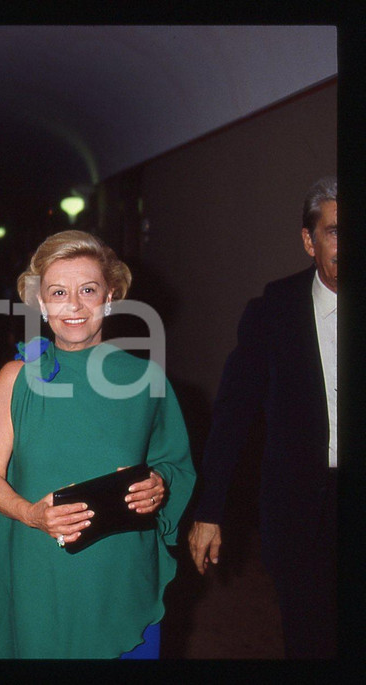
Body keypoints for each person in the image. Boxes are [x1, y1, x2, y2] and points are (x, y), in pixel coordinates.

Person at [0, 230, 196, 658]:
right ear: (41, 302)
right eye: (58, 292)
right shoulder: (16, 379)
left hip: (122, 571)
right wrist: (31, 514)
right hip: (42, 569)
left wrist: (159, 484)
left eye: (87, 290)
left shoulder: (147, 380)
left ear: (109, 297)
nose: (73, 305)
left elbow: (173, 464)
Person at [187, 176, 337, 658]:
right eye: (335, 231)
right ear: (309, 240)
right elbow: (232, 415)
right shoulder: (274, 310)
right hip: (300, 510)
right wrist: (210, 510)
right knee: (309, 635)